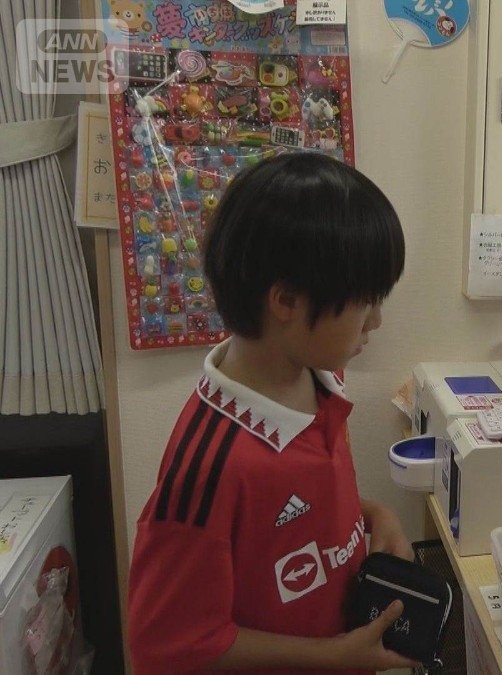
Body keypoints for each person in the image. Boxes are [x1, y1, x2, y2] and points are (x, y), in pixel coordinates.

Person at [128, 153, 419, 674]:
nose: (376, 319)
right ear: (285, 300)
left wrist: (377, 516)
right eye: (366, 300)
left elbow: (296, 514)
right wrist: (332, 657)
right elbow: (169, 642)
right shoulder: (210, 464)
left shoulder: (320, 380)